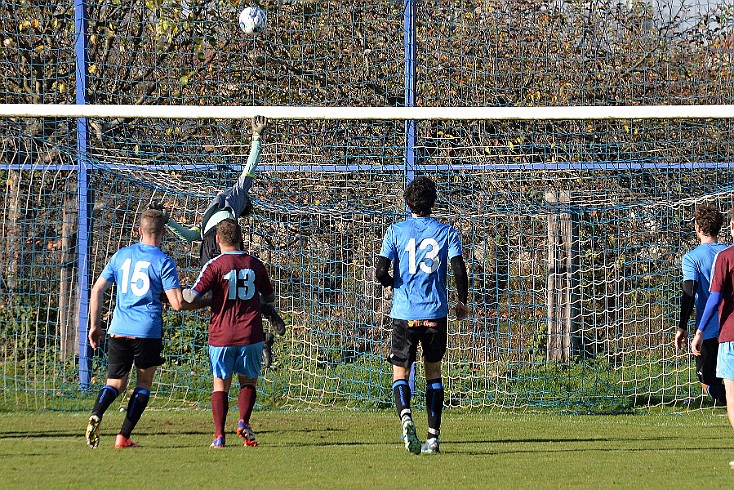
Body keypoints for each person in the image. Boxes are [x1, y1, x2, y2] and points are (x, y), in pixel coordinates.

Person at [151, 115, 285, 368]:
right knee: (231, 293)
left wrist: (256, 138)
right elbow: (192, 235)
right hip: (215, 245)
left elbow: (249, 171)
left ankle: (173, 300)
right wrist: (168, 220)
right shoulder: (220, 210)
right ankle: (262, 325)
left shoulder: (232, 199)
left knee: (224, 293)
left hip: (219, 247)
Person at [375, 176, 470, 455]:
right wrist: (461, 302)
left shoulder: (395, 231)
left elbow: (380, 272)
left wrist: (394, 283)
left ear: (408, 203)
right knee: (434, 372)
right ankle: (433, 437)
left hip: (404, 314)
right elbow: (459, 270)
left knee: (400, 373)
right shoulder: (447, 232)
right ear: (433, 203)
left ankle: (405, 417)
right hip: (435, 314)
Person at [85, 208, 186, 448]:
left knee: (115, 384)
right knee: (143, 384)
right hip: (146, 330)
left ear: (139, 231)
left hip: (118, 329)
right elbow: (177, 304)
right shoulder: (163, 261)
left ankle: (97, 413)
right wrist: (206, 300)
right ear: (163, 233)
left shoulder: (121, 256)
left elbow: (97, 289)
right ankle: (123, 437)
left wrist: (94, 325)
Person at [182, 218, 275, 448]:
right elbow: (270, 297)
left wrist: (177, 292)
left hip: (222, 335)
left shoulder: (214, 265)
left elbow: (192, 297)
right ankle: (243, 422)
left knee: (220, 386)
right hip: (250, 334)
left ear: (217, 239)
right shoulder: (256, 264)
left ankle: (218, 436)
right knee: (248, 383)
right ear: (240, 238)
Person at [674, 204, 727, 405]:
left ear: (697, 228)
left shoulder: (692, 258)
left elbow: (689, 292)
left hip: (708, 330)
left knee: (707, 382)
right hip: (730, 327)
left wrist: (681, 327)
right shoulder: (729, 253)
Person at [694, 208, 734, 465]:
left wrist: (699, 331)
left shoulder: (725, 257)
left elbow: (714, 299)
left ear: (732, 226)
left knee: (732, 395)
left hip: (730, 334)